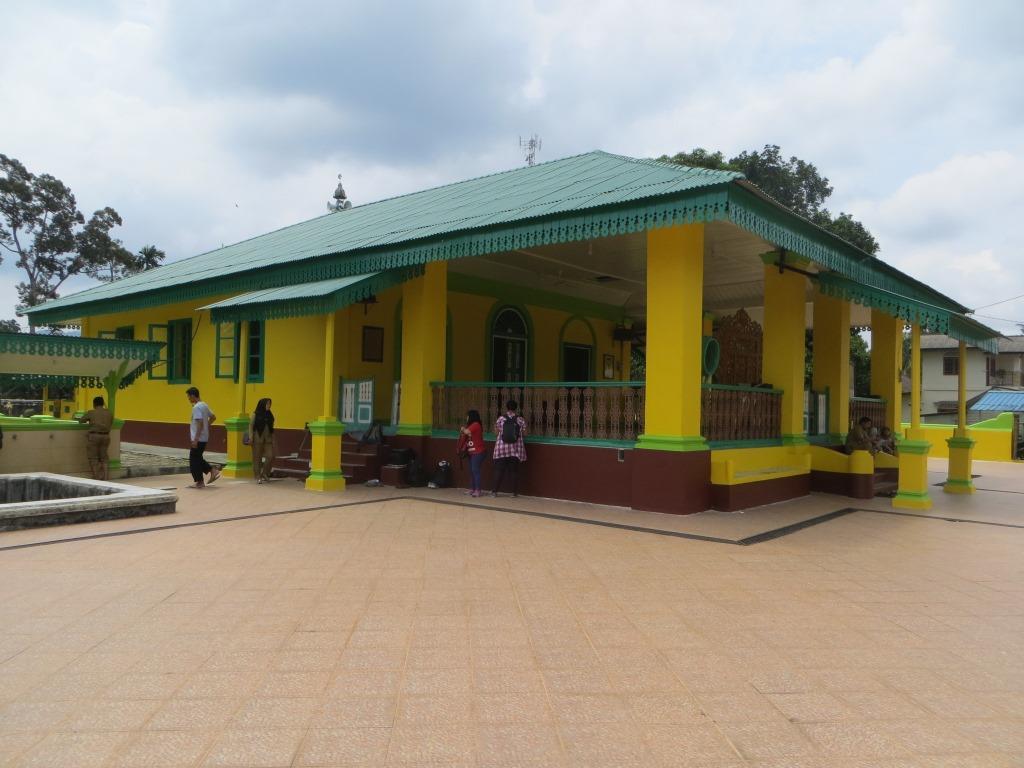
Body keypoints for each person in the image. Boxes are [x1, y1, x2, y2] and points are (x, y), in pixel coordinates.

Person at [186, 387, 220, 488]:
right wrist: (207, 426)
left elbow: (200, 423)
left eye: (188, 397)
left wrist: (195, 439)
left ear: (192, 395)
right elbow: (213, 417)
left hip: (199, 438)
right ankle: (212, 470)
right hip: (204, 437)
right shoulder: (204, 405)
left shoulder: (196, 407)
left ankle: (200, 481)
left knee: (194, 460)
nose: (188, 399)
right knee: (197, 458)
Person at [491, 400, 527, 497]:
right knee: (514, 471)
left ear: (507, 407)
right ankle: (514, 493)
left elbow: (495, 433)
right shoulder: (520, 419)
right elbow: (525, 434)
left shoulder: (501, 418)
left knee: (499, 470)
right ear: (516, 408)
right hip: (515, 450)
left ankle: (494, 492)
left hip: (501, 449)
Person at [77, 395, 113, 480]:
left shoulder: (91, 412)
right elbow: (111, 423)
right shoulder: (109, 413)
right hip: (106, 436)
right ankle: (106, 477)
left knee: (93, 458)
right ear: (103, 404)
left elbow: (81, 420)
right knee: (104, 457)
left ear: (94, 404)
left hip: (94, 436)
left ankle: (96, 477)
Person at [459, 409, 486, 497]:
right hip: (471, 452)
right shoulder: (472, 425)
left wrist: (463, 428)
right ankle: (472, 489)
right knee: (472, 471)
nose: (466, 418)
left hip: (478, 452)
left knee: (475, 470)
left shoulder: (476, 425)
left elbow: (467, 432)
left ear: (471, 416)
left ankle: (478, 490)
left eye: (467, 416)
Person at [249, 397, 276, 484]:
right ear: (263, 404)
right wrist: (251, 437)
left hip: (268, 439)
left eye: (270, 404)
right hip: (258, 438)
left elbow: (271, 427)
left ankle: (265, 473)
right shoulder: (256, 414)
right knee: (257, 458)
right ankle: (258, 476)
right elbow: (251, 426)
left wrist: (273, 437)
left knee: (270, 456)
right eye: (267, 404)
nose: (269, 406)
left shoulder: (270, 414)